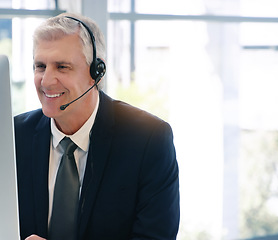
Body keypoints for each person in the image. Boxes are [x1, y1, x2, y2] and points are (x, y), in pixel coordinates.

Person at [14, 12, 180, 240]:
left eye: (62, 67)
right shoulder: (14, 137)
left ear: (97, 73)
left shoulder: (148, 140)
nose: (46, 81)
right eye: (40, 66)